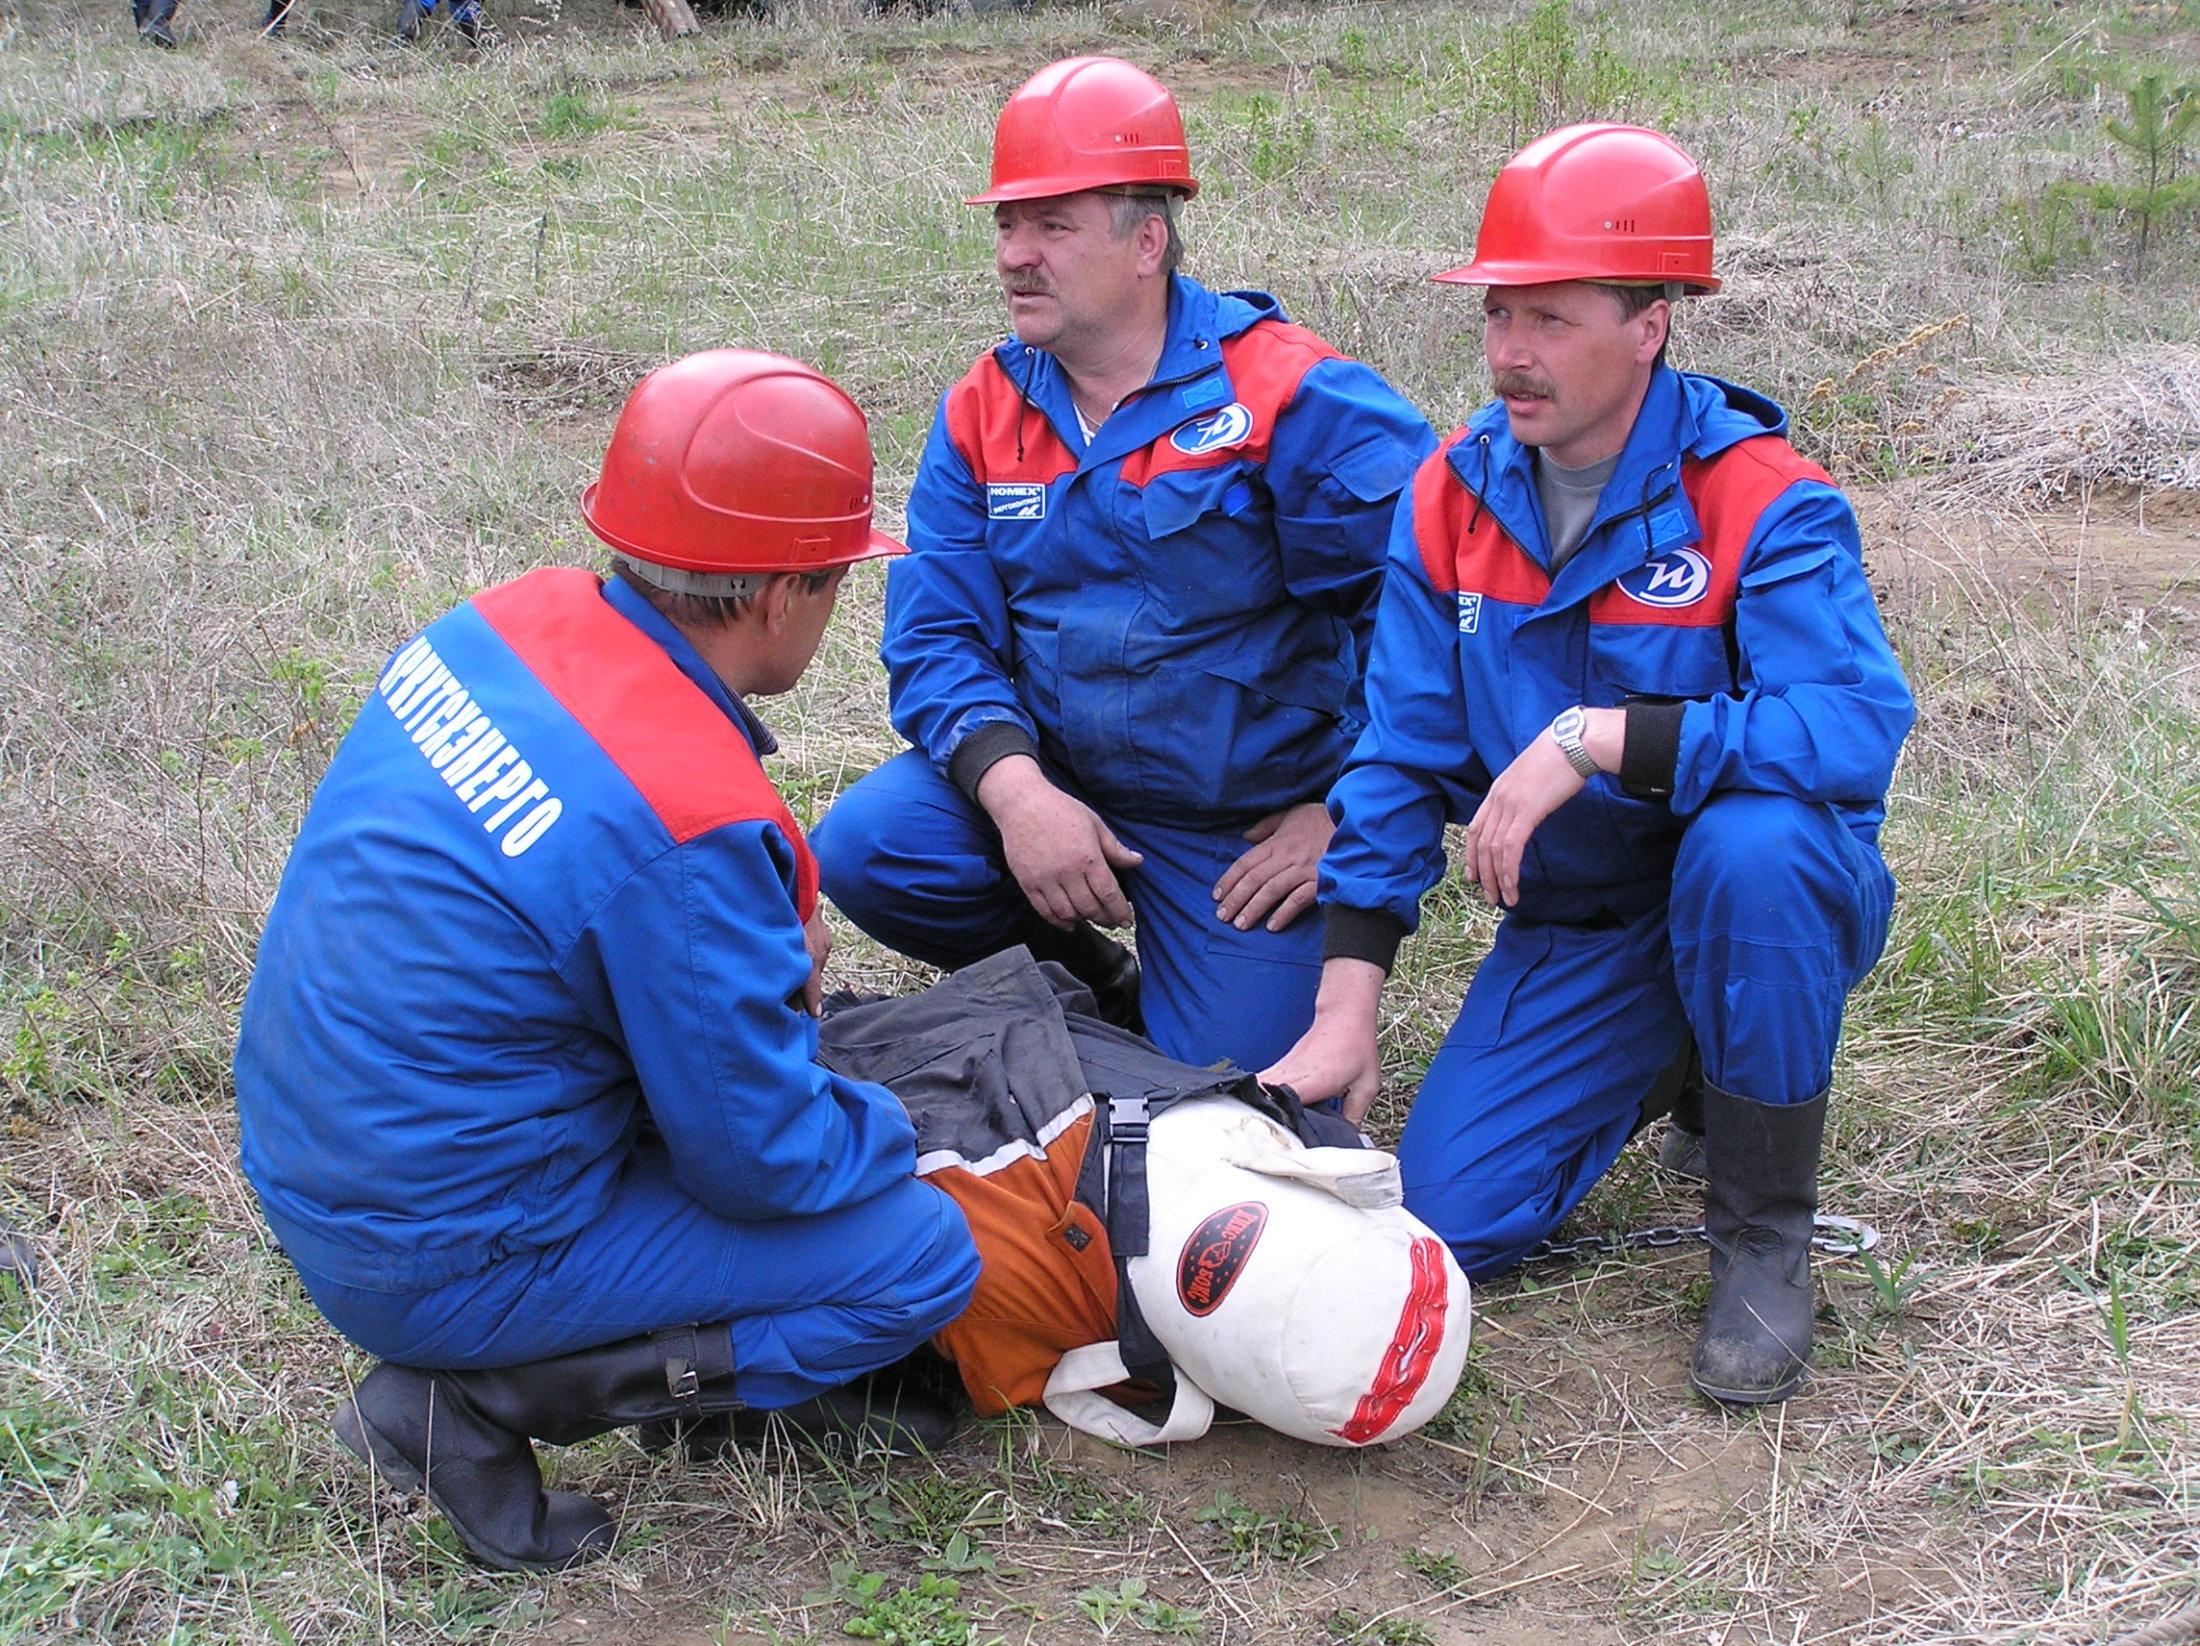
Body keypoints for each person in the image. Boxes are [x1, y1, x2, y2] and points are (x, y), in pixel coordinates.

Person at [233, 351, 981, 1573]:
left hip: (312, 1158)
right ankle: (474, 1404)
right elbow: (763, 1158)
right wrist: (895, 1124)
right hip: (436, 1247)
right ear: (782, 595)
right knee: (919, 1253)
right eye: (842, 576)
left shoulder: (501, 621)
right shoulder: (683, 821)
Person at [1263, 125, 1915, 1406]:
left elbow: (1850, 726)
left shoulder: (1762, 499)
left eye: (1552, 319)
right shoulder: (1450, 494)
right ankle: (1677, 1045)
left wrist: (1603, 734)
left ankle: (1763, 1232)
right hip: (1581, 921)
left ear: (1651, 323)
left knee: (1755, 844)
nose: (1511, 351)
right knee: (1455, 1222)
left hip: (1763, 895)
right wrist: (1348, 998)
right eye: (1501, 313)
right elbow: (1397, 753)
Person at [809, 57, 1432, 1075]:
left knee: (1234, 1083)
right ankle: (1093, 984)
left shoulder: (1288, 395)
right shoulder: (983, 410)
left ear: (1147, 240)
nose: (1017, 255)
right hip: (1065, 790)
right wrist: (1017, 794)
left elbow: (1425, 612)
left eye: (1053, 226)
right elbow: (935, 635)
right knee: (872, 846)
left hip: (1245, 827)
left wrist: (1348, 808)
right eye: (1008, 225)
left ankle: (1201, 996)